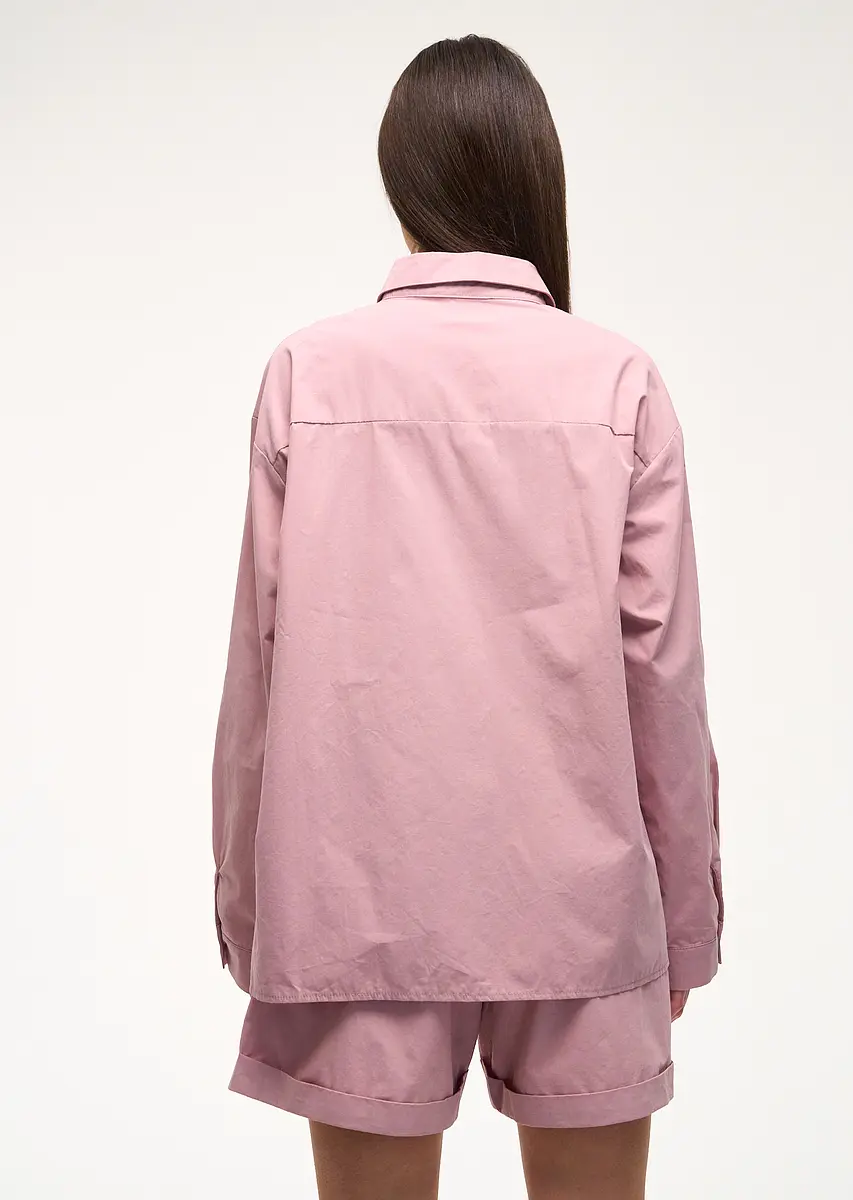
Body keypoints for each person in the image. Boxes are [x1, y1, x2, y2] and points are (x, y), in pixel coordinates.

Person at [211, 33, 723, 1200]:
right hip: (583, 907)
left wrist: (247, 901)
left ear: (401, 183)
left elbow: (259, 669)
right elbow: (663, 675)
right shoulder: (617, 380)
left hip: (354, 903)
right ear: (536, 176)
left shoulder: (310, 372)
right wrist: (685, 925)